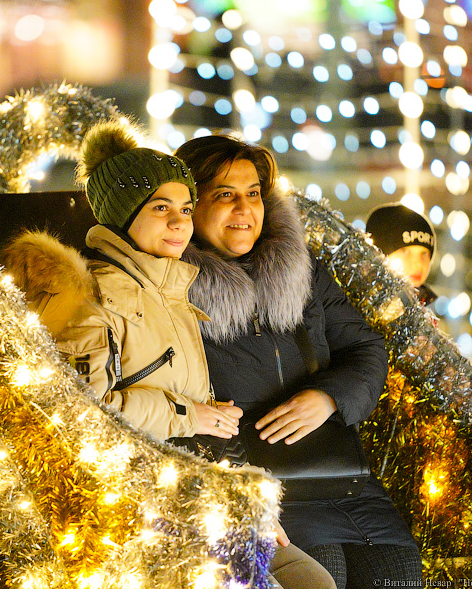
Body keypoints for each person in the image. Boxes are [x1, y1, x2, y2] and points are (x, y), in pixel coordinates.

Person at [3, 121, 336, 589]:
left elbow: (211, 423)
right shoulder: (89, 297)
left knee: (314, 582)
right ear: (123, 216)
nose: (180, 221)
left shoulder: (174, 292)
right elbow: (79, 419)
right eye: (162, 208)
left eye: (184, 207)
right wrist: (188, 415)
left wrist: (245, 504)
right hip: (137, 506)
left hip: (199, 492)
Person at [174, 134, 423, 589]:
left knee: (400, 573)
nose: (244, 210)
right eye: (225, 195)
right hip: (256, 478)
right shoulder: (172, 288)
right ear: (190, 205)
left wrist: (327, 397)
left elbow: (365, 349)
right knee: (325, 571)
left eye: (253, 194)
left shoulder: (301, 272)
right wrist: (240, 501)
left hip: (338, 470)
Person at [365, 203, 438, 307]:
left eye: (424, 253)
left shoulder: (424, 310)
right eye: (405, 251)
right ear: (379, 255)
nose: (418, 263)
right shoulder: (359, 306)